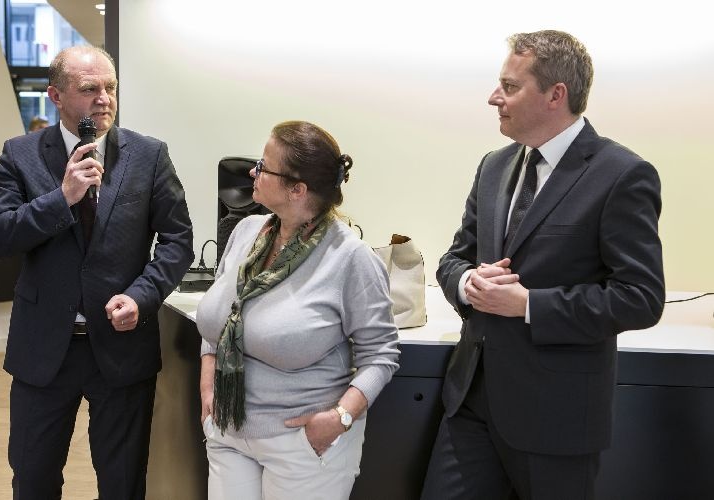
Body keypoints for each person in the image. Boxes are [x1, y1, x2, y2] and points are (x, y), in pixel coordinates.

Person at [421, 30, 665, 500]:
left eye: (510, 87)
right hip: (470, 402)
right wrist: (468, 282)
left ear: (556, 95)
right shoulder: (493, 166)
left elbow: (641, 298)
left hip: (557, 417)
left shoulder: (622, 174)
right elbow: (455, 258)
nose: (494, 97)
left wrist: (528, 304)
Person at [0, 46, 194, 499]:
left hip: (121, 347)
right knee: (33, 481)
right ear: (56, 96)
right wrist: (61, 198)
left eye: (110, 87)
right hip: (43, 350)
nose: (104, 99)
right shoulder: (20, 154)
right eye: (89, 88)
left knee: (123, 483)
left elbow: (178, 242)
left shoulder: (149, 155)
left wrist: (142, 296)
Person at [197, 120, 400, 500]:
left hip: (302, 445)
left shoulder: (351, 258)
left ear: (297, 189)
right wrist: (208, 385)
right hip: (228, 433)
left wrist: (339, 418)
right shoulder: (246, 232)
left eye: (263, 166)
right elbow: (219, 321)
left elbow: (381, 356)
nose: (253, 172)